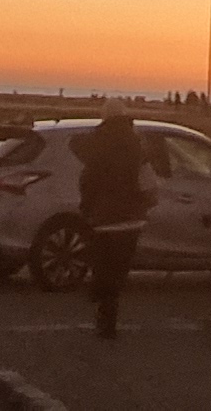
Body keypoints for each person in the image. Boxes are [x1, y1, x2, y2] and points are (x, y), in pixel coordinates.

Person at [76, 109, 151, 338]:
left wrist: (87, 209)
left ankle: (102, 310)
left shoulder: (96, 146)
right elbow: (148, 184)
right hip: (130, 221)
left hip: (103, 219)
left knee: (103, 266)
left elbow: (87, 182)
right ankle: (109, 319)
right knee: (118, 270)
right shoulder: (138, 147)